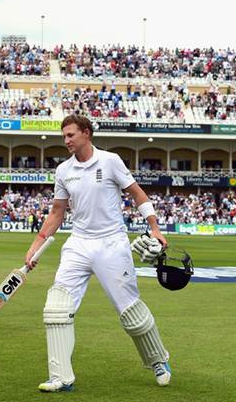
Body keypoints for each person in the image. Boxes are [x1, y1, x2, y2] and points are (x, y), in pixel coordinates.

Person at [24, 115, 171, 393]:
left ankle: (158, 360)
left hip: (111, 243)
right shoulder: (64, 170)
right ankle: (60, 377)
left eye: (70, 135)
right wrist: (36, 247)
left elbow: (138, 194)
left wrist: (155, 228)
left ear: (86, 133)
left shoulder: (110, 161)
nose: (66, 141)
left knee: (131, 313)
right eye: (64, 136)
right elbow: (57, 211)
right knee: (56, 307)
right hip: (78, 244)